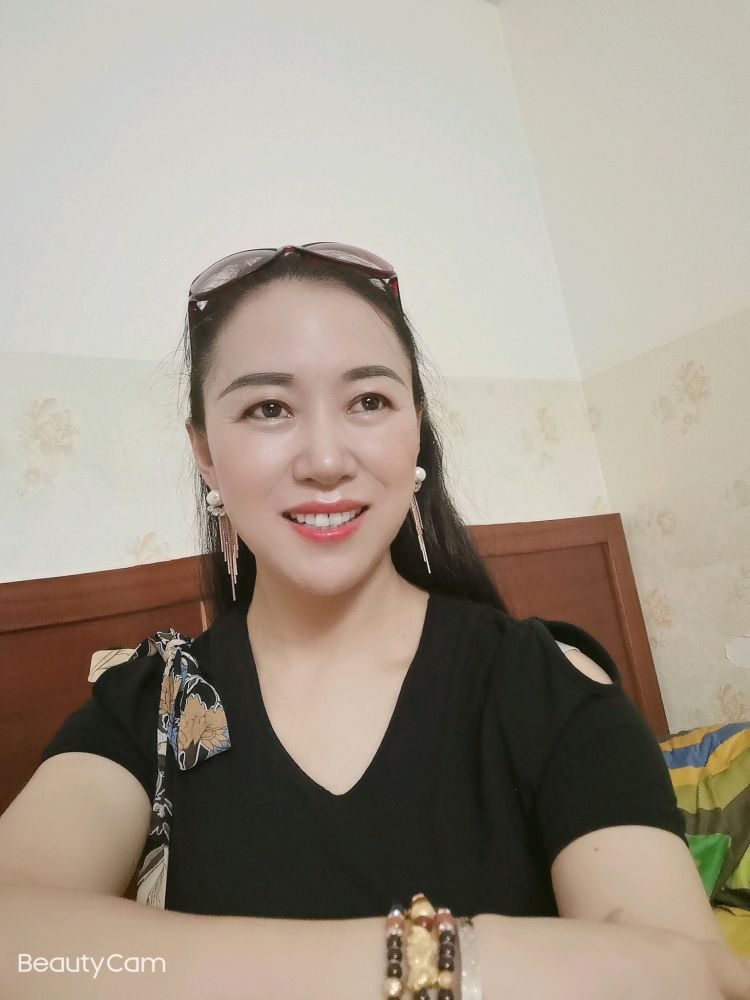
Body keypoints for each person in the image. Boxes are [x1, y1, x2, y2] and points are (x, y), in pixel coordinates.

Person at [1, 243, 748, 1000]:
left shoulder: (544, 683)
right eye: (268, 408)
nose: (326, 460)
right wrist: (436, 963)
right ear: (205, 453)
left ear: (415, 428)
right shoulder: (151, 706)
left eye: (368, 401)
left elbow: (684, 979)